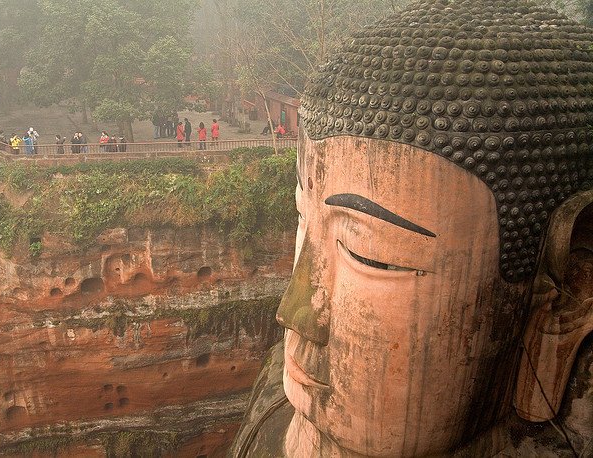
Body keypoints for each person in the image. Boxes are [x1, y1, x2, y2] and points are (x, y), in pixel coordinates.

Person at [231, 1, 593, 457]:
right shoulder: (273, 411)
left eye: (370, 255)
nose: (295, 312)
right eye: (303, 221)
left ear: (569, 298)